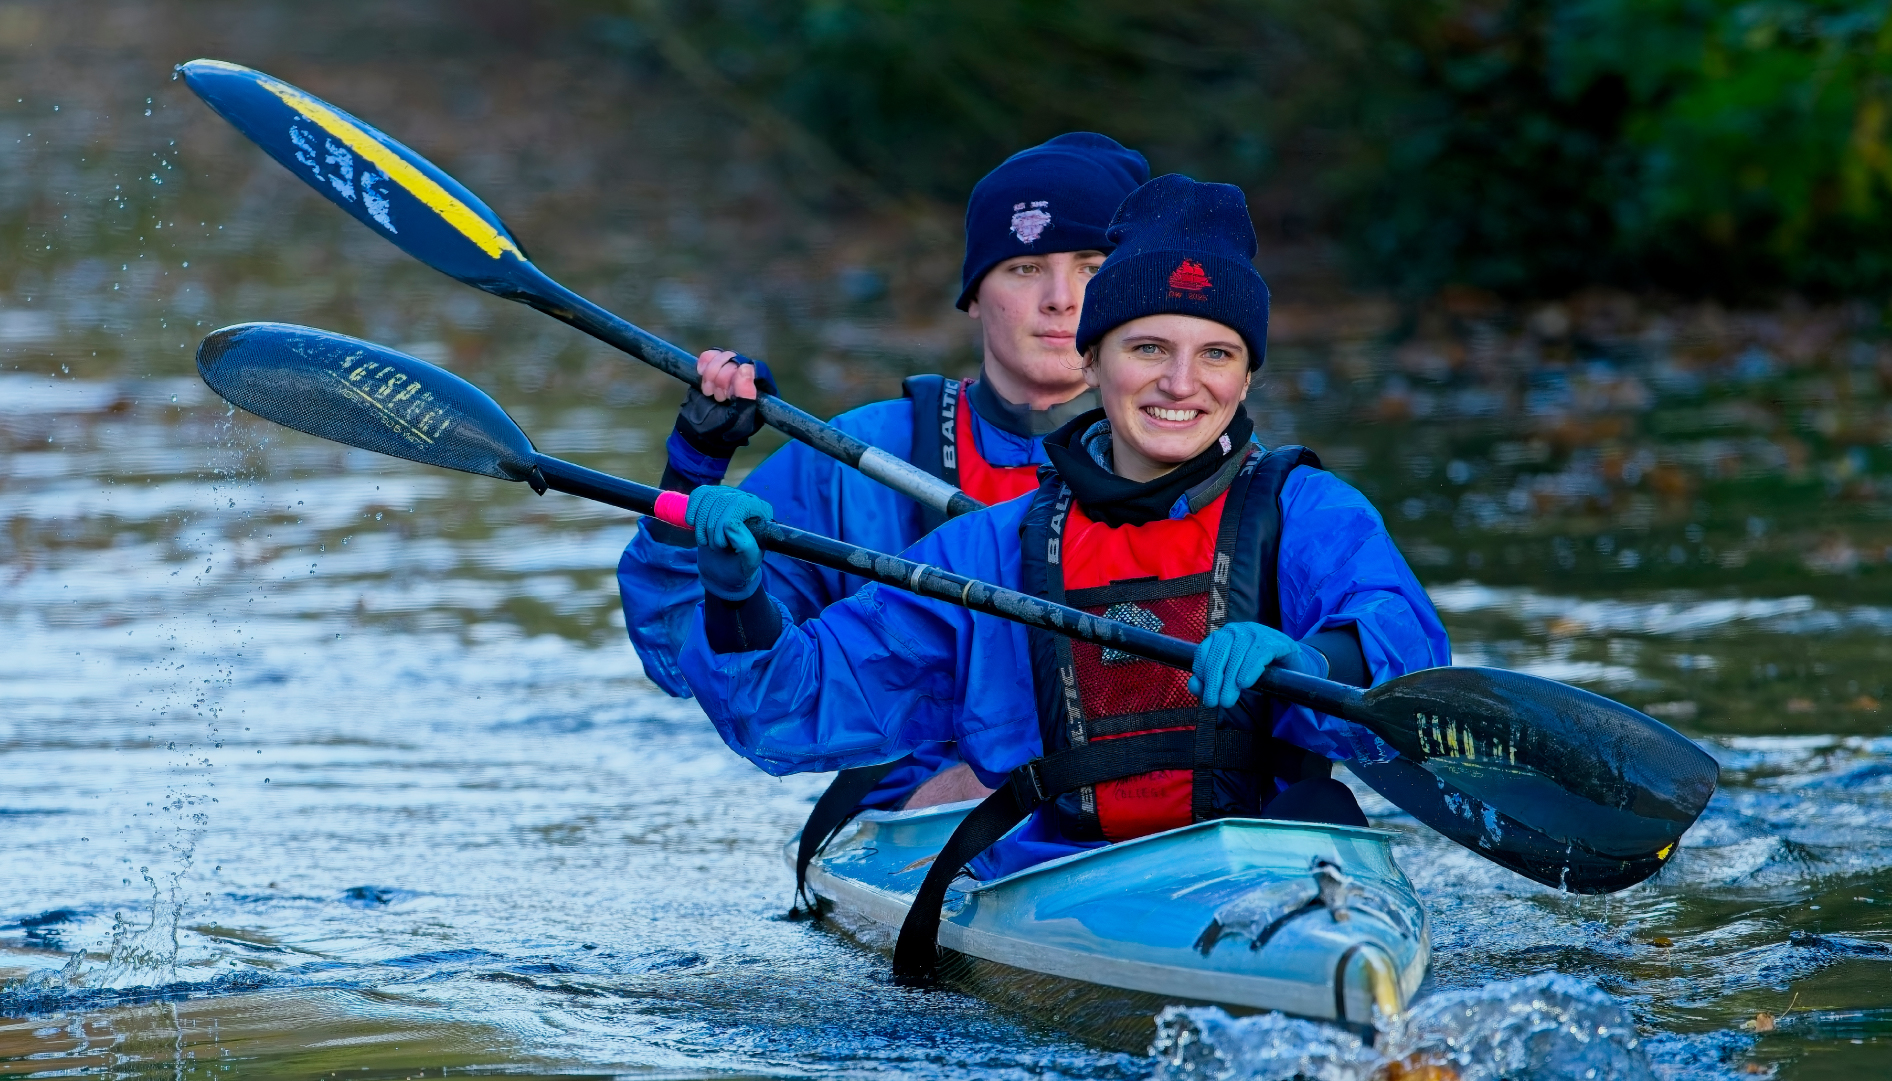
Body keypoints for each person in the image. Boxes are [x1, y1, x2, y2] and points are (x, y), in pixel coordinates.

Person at [672, 174, 1451, 887]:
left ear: (1246, 376)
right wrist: (735, 592)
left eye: (1216, 353)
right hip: (1063, 877)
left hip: (1279, 865)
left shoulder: (1310, 511)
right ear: (1094, 359)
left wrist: (1312, 657)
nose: (1181, 383)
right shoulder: (992, 549)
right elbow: (785, 706)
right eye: (1147, 348)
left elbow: (1405, 650)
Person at [618, 133, 1149, 821]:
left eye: (1089, 266)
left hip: (1146, 784)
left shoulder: (1190, 458)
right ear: (972, 295)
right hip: (923, 805)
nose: (1058, 298)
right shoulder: (854, 457)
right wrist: (691, 470)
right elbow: (677, 656)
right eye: (1023, 267)